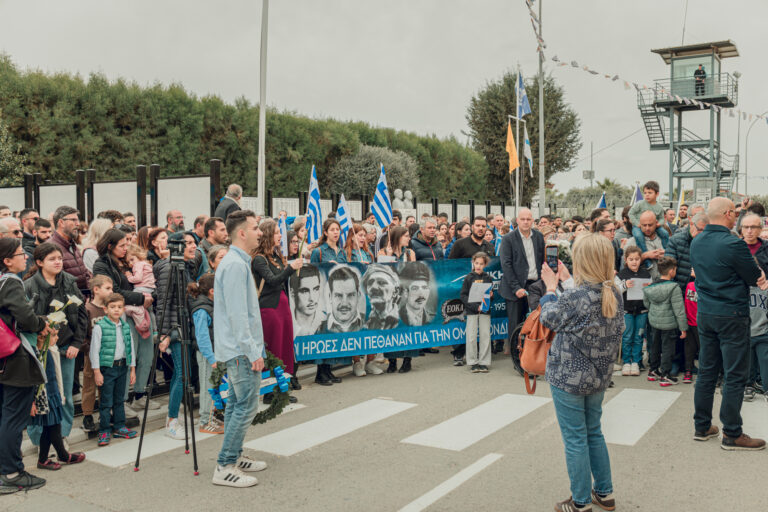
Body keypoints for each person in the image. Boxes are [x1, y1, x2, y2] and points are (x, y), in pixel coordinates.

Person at [539, 234, 622, 512]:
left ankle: (581, 502)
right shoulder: (615, 293)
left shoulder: (575, 296)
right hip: (598, 376)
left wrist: (551, 289)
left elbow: (549, 317)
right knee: (594, 433)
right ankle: (604, 492)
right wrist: (565, 280)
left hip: (569, 378)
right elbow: (584, 304)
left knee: (575, 439)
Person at [690, 197, 766, 450]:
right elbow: (754, 277)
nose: (737, 217)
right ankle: (732, 433)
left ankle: (702, 426)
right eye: (734, 212)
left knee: (708, 371)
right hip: (731, 314)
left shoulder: (697, 240)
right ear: (726, 214)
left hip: (706, 313)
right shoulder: (734, 243)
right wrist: (758, 274)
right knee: (734, 375)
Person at [211, 210, 267, 487]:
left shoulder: (238, 262)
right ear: (242, 232)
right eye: (256, 228)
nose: (260, 232)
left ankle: (234, 455)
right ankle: (225, 465)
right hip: (240, 350)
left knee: (236, 404)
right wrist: (252, 351)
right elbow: (237, 314)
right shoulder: (234, 264)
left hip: (238, 348)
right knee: (245, 406)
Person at [23, 242, 87, 449]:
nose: (58, 262)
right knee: (39, 394)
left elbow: (81, 313)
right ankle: (39, 438)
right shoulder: (29, 286)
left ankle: (62, 435)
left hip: (65, 345)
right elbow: (25, 318)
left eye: (59, 258)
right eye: (52, 259)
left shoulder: (69, 281)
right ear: (39, 262)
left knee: (65, 395)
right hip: (40, 347)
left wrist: (77, 343)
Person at [0, 238, 52, 493]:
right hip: (13, 359)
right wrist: (41, 324)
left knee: (5, 416)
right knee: (13, 418)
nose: (26, 258)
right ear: (7, 260)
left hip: (2, 359)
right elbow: (25, 317)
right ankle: (11, 472)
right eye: (21, 254)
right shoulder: (10, 281)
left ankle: (6, 470)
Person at [92, 229, 154, 421]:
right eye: (122, 245)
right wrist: (140, 298)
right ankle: (124, 401)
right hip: (124, 312)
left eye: (127, 244)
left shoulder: (128, 260)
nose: (126, 248)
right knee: (130, 356)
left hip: (142, 310)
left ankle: (140, 394)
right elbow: (113, 292)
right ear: (110, 246)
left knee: (146, 354)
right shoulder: (102, 263)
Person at [250, 219, 302, 398]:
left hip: (282, 304)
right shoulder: (259, 259)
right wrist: (290, 269)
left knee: (286, 347)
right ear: (268, 235)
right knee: (273, 348)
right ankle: (269, 391)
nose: (281, 235)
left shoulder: (277, 255)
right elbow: (272, 280)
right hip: (269, 307)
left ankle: (282, 387)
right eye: (277, 232)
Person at [154, 232, 197, 439]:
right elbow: (163, 302)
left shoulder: (185, 267)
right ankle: (171, 421)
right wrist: (165, 333)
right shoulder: (167, 268)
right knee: (181, 374)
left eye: (193, 242)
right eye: (187, 243)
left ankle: (174, 414)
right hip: (174, 328)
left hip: (184, 326)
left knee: (181, 373)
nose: (193, 246)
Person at [28, 332, 86, 470]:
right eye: (54, 335)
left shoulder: (50, 351)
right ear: (42, 338)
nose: (58, 338)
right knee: (53, 426)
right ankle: (63, 455)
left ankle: (44, 459)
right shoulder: (36, 355)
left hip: (53, 394)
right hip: (45, 396)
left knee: (50, 427)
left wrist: (60, 394)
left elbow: (57, 374)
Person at [90, 293, 138, 446]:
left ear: (123, 309)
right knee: (106, 401)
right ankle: (104, 430)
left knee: (119, 399)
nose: (116, 310)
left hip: (122, 367)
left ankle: (119, 426)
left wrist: (132, 369)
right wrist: (97, 372)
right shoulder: (99, 327)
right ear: (105, 309)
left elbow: (130, 349)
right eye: (112, 307)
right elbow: (94, 351)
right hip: (107, 369)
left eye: (119, 307)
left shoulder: (125, 327)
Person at [499, 207, 545, 344]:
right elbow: (506, 265)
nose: (525, 222)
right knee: (516, 325)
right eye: (523, 219)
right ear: (517, 220)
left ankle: (531, 355)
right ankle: (516, 357)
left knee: (535, 321)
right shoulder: (508, 239)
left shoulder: (538, 236)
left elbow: (542, 260)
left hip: (535, 286)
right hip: (515, 288)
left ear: (532, 221)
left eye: (528, 219)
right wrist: (516, 288)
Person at [643, 256, 688, 386]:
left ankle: (653, 371)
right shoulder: (674, 288)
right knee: (668, 348)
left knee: (655, 346)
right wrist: (683, 328)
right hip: (669, 324)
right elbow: (679, 310)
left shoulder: (650, 286)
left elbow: (647, 304)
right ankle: (665, 375)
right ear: (671, 271)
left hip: (654, 322)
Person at [188, 273, 224, 435]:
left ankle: (210, 416)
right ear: (212, 291)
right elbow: (202, 338)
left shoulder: (210, 305)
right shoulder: (201, 310)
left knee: (213, 386)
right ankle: (204, 421)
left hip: (214, 353)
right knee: (207, 387)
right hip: (206, 355)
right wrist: (211, 357)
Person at [81, 275, 112, 433]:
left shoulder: (109, 309)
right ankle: (87, 415)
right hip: (92, 355)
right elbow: (83, 333)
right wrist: (88, 349)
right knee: (89, 385)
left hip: (107, 354)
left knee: (105, 384)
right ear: (96, 290)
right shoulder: (88, 309)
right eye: (108, 288)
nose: (111, 291)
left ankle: (105, 413)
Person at [617, 246, 650, 377]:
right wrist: (624, 286)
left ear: (640, 259)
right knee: (627, 336)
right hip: (627, 311)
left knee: (639, 336)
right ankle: (626, 361)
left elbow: (650, 290)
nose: (634, 262)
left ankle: (636, 361)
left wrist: (648, 288)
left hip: (642, 311)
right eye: (631, 259)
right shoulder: (622, 274)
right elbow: (615, 291)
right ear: (626, 260)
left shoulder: (645, 274)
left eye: (637, 259)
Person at [461, 252, 493, 373]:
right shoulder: (468, 278)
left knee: (485, 335)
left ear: (485, 265)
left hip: (485, 310)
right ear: (473, 263)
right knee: (471, 336)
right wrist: (475, 307)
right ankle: (473, 362)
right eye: (476, 263)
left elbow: (490, 295)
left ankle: (484, 362)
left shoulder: (488, 278)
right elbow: (463, 295)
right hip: (472, 311)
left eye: (481, 264)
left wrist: (491, 295)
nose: (478, 266)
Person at [49, 206, 91, 297]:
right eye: (74, 220)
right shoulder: (51, 247)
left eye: (78, 220)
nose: (78, 224)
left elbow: (84, 274)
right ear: (61, 222)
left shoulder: (72, 244)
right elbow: (58, 283)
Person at [666, 213, 709, 290]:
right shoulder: (676, 240)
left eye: (705, 231)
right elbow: (668, 269)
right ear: (691, 224)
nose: (702, 234)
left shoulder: (708, 242)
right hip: (678, 291)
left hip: (698, 291)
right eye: (700, 230)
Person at [627, 181, 669, 258]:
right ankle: (645, 255)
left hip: (654, 226)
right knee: (639, 236)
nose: (647, 195)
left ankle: (667, 252)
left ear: (657, 194)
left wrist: (659, 223)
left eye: (650, 193)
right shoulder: (640, 203)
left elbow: (662, 218)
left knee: (665, 233)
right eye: (645, 193)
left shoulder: (659, 206)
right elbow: (630, 213)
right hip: (638, 227)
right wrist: (637, 223)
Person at [123, 245, 155, 339]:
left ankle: (141, 325)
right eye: (128, 262)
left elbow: (138, 278)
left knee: (134, 306)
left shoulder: (138, 265)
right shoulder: (146, 263)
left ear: (138, 255)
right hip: (150, 288)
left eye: (132, 259)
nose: (131, 263)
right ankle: (155, 330)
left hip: (141, 288)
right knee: (150, 310)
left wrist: (129, 277)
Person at [623, 211, 665, 278]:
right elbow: (624, 267)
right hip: (642, 285)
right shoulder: (632, 242)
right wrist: (645, 256)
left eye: (650, 225)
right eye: (644, 225)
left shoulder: (664, 239)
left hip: (663, 284)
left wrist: (667, 256)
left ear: (656, 223)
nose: (647, 228)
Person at [290, 264, 325, 337]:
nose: (312, 298)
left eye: (316, 289)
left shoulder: (327, 321)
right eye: (305, 291)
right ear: (293, 293)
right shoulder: (287, 322)